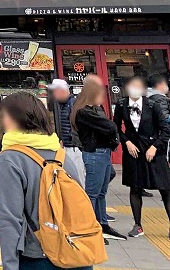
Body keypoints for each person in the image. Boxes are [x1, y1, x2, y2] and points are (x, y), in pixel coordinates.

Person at [0, 91, 89, 270]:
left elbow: (10, 218)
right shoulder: (59, 152)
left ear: (16, 118)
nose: (2, 121)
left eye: (5, 115)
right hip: (77, 253)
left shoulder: (11, 157)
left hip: (39, 257)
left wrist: (9, 265)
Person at [113, 74, 170, 238]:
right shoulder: (122, 104)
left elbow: (165, 129)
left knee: (165, 189)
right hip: (134, 152)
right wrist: (126, 142)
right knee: (135, 188)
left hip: (154, 152)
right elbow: (116, 128)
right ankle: (138, 225)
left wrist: (155, 146)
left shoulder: (152, 105)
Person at [71, 79, 125, 241]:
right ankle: (90, 227)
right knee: (93, 193)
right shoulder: (84, 112)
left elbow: (109, 126)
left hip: (102, 152)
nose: (103, 96)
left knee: (101, 191)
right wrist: (111, 131)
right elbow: (110, 126)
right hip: (94, 153)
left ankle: (103, 224)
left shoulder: (93, 109)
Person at [49, 79, 83, 185]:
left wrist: (70, 138)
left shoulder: (73, 105)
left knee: (78, 178)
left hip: (75, 148)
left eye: (55, 91)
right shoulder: (64, 105)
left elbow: (79, 125)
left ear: (62, 91)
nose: (54, 94)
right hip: (68, 146)